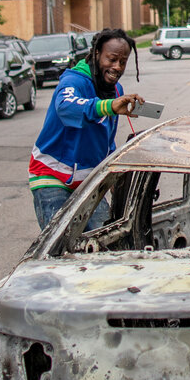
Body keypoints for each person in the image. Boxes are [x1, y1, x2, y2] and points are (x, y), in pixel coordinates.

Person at [28, 28, 144, 230]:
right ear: (97, 53)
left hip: (88, 180)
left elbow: (105, 138)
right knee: (62, 246)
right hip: (52, 176)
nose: (117, 67)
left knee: (104, 239)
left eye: (123, 62)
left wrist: (115, 176)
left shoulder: (116, 90)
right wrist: (107, 106)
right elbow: (66, 107)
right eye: (112, 59)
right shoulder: (74, 80)